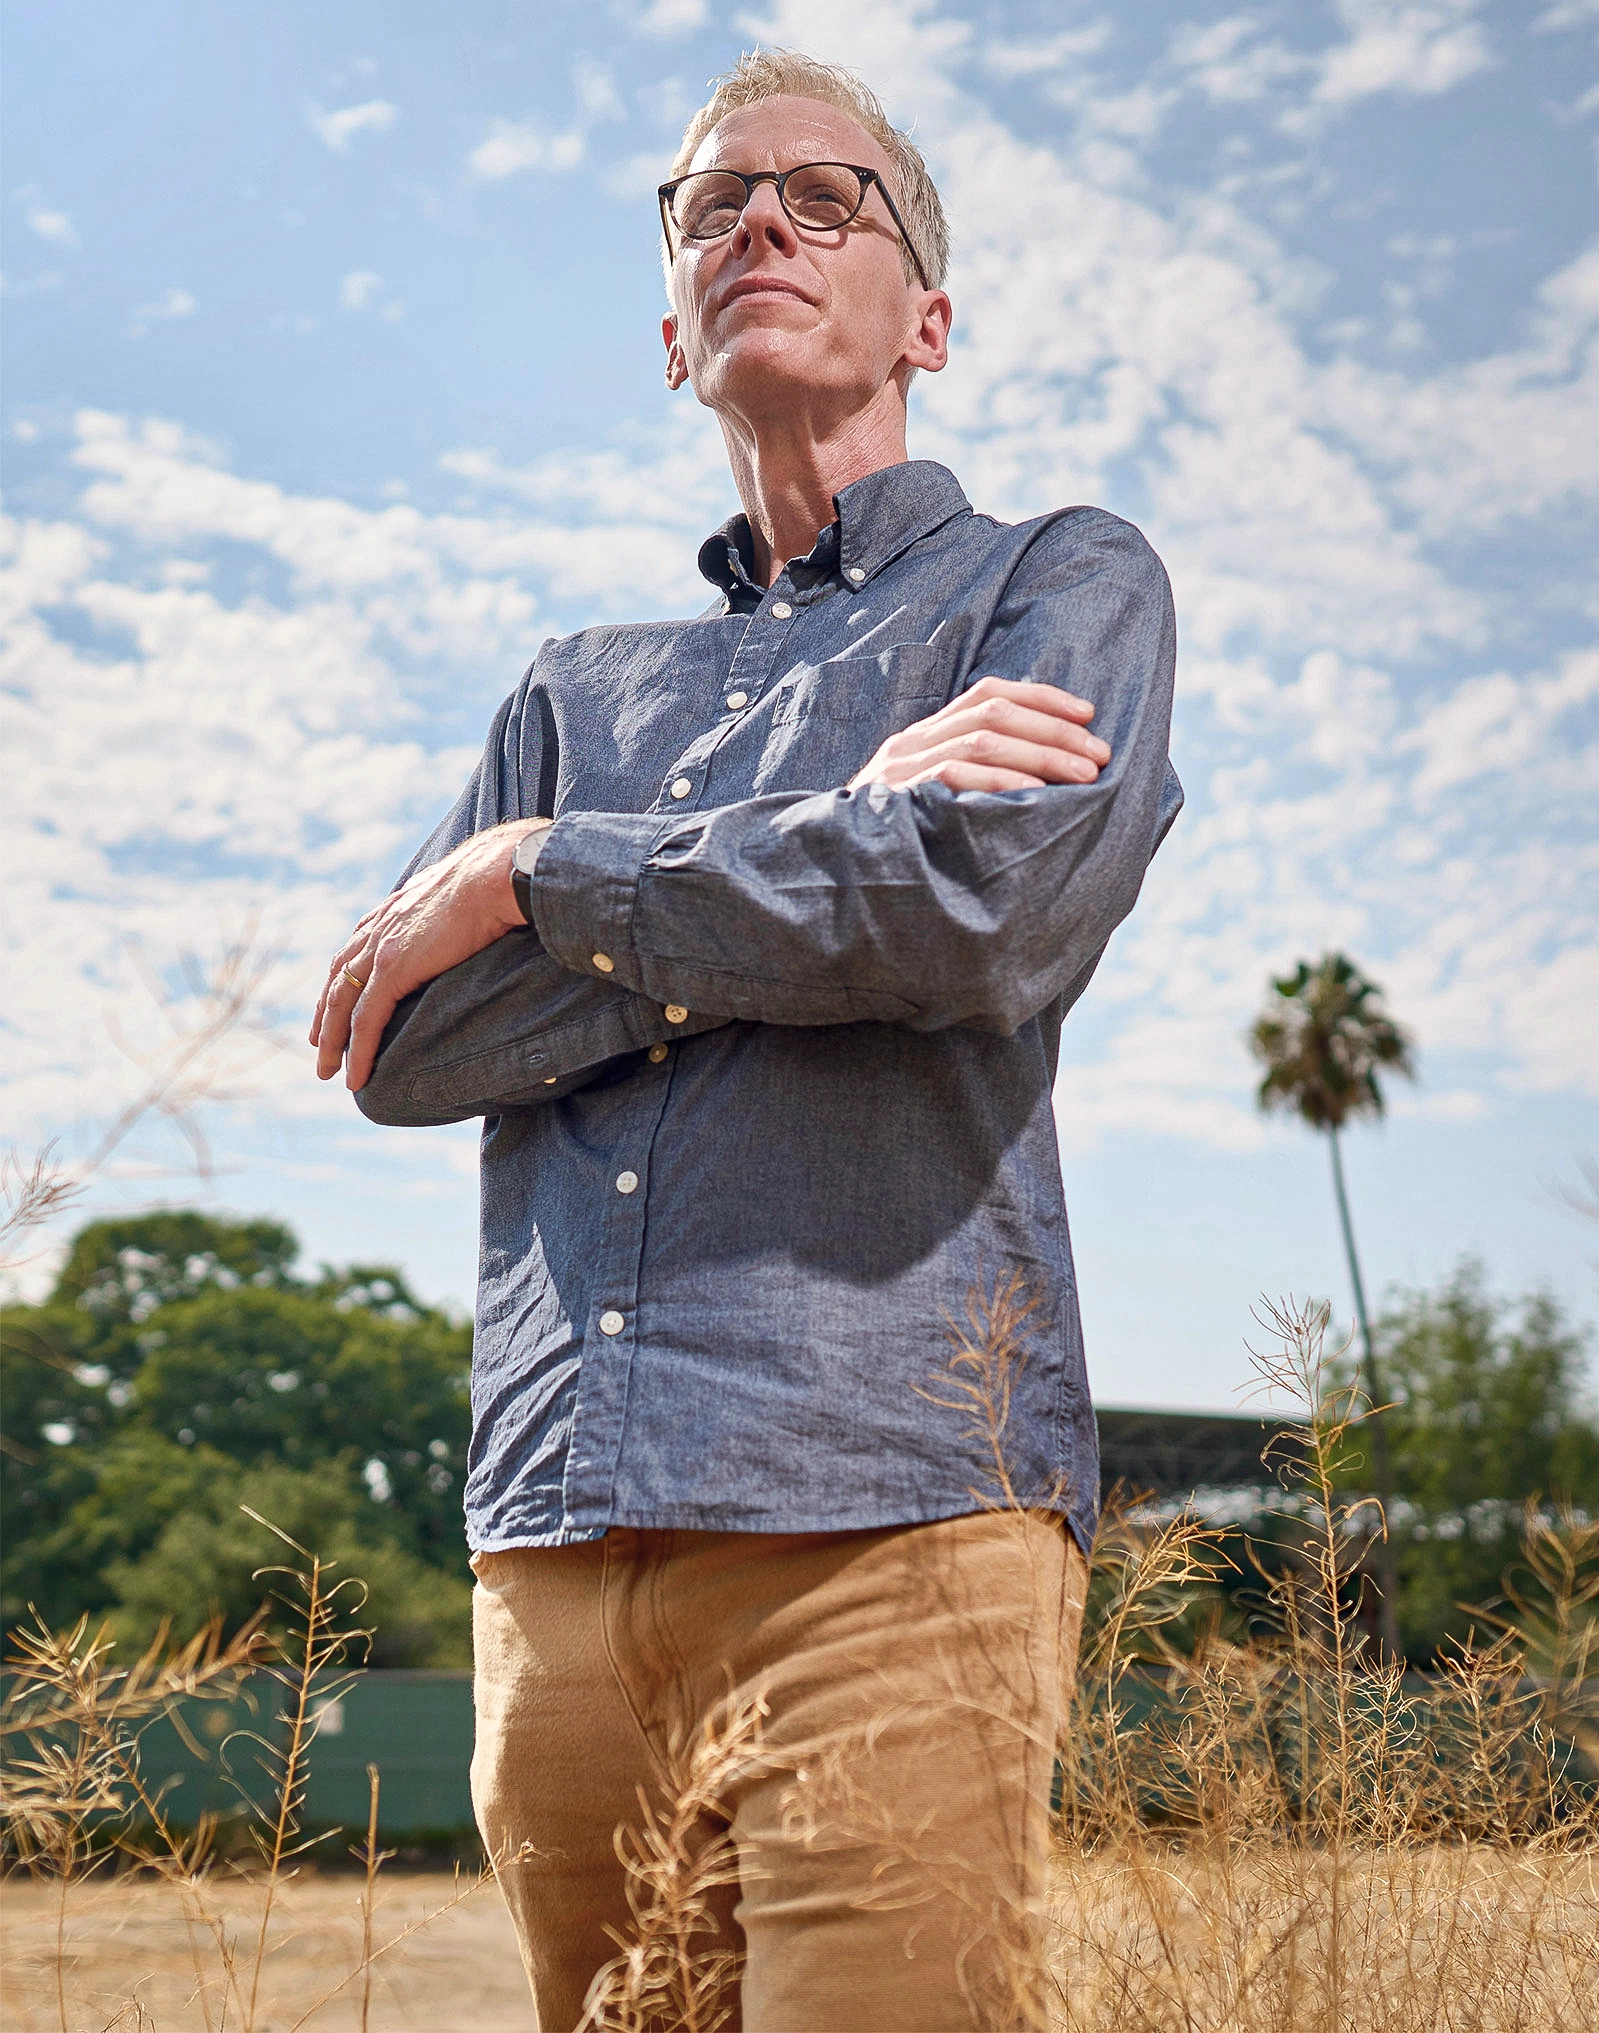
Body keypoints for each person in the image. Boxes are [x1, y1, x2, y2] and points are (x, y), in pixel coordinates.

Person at [310, 47, 1181, 2033]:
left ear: (928, 318)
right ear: (672, 319)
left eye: (824, 196)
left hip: (891, 1506)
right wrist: (830, 826)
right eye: (711, 205)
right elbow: (398, 1039)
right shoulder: (569, 688)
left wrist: (539, 874)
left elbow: (980, 910)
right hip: (556, 1542)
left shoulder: (1051, 582)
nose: (758, 222)